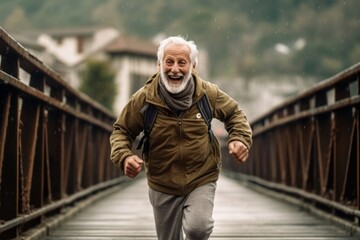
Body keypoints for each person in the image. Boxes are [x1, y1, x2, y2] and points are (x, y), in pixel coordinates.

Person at [110, 36, 252, 240]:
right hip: (162, 181)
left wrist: (239, 138)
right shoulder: (144, 99)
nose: (174, 69)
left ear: (193, 67)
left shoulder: (207, 94)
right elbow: (121, 130)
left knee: (198, 228)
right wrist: (124, 157)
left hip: (201, 176)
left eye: (182, 62)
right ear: (159, 65)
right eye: (169, 62)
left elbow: (234, 114)